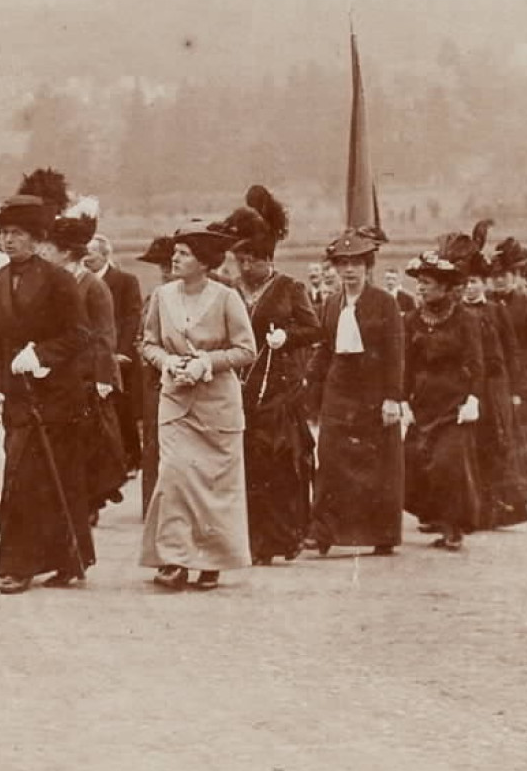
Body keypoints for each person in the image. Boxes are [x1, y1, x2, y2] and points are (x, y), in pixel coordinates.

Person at [0, 186, 94, 594]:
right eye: (3, 232)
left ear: (36, 237)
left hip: (57, 397)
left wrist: (42, 354)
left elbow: (81, 335)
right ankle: (20, 563)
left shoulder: (58, 279)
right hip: (16, 396)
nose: (8, 240)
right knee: (19, 476)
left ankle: (63, 561)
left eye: (17, 233)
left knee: (57, 479)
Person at [138, 220, 257, 589]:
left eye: (184, 254)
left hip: (217, 407)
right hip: (175, 404)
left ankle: (211, 561)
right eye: (175, 253)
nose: (175, 259)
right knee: (173, 478)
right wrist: (166, 362)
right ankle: (173, 559)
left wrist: (209, 362)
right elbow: (147, 342)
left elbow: (246, 349)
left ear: (204, 262)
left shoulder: (227, 297)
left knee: (215, 487)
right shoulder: (162, 296)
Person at [216, 195, 322, 565]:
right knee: (248, 465)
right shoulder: (231, 291)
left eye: (252, 261)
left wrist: (287, 338)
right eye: (240, 260)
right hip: (241, 388)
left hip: (280, 390)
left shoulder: (290, 288)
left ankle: (282, 537)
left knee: (278, 464)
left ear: (268, 260)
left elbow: (314, 328)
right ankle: (250, 538)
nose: (245, 267)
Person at [305, 226, 405, 557]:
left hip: (373, 391)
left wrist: (393, 398)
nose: (349, 271)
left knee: (377, 464)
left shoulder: (384, 304)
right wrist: (310, 387)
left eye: (356, 264)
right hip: (339, 391)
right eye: (343, 264)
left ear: (368, 266)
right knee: (331, 459)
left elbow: (394, 353)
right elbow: (324, 351)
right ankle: (324, 532)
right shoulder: (332, 304)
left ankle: (382, 533)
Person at [38, 198, 127, 519]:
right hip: (60, 373)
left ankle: (90, 502)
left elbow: (105, 335)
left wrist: (104, 377)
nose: (44, 253)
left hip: (89, 375)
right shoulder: (53, 282)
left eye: (49, 248)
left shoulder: (94, 286)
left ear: (65, 252)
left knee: (91, 441)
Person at [400, 248, 485, 552]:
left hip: (453, 402)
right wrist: (403, 400)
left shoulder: (466, 319)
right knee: (416, 462)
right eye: (419, 282)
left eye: (428, 282)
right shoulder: (411, 319)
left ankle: (453, 529)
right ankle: (434, 517)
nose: (421, 287)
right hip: (422, 401)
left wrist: (473, 397)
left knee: (447, 465)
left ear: (446, 287)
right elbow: (406, 364)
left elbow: (477, 363)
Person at [447, 226, 527, 530]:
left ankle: (493, 509)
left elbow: (510, 353)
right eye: (466, 283)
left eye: (476, 283)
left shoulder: (496, 311)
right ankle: (463, 511)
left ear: (484, 284)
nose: (470, 288)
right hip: (466, 388)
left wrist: (512, 390)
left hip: (493, 388)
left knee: (492, 446)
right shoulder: (454, 313)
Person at [488, 237, 527, 497]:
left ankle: (522, 487)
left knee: (522, 432)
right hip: (495, 374)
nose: (500, 280)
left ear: (514, 276)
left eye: (504, 276)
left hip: (525, 377)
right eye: (495, 276)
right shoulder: (488, 303)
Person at [85, 232, 145, 474]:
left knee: (124, 410)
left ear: (104, 254)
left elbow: (132, 317)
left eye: (90, 253)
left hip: (121, 356)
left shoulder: (125, 280)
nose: (85, 258)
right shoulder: (80, 281)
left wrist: (120, 352)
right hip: (93, 356)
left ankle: (132, 458)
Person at [134, 234, 177, 517]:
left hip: (186, 377)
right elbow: (140, 338)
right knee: (153, 442)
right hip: (154, 380)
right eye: (160, 266)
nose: (164, 271)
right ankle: (152, 505)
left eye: (168, 265)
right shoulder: (153, 299)